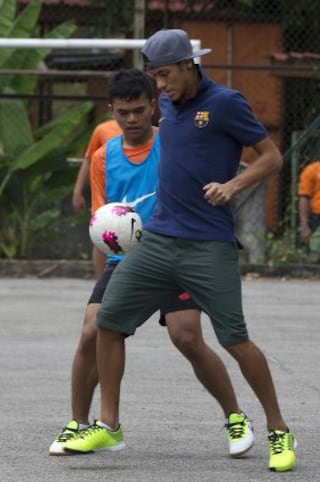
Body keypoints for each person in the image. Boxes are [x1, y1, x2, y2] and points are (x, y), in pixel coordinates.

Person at [62, 30, 297, 473]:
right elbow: (131, 135)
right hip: (158, 241)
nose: (161, 86)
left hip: (208, 245)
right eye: (155, 77)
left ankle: (279, 429)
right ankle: (108, 424)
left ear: (189, 65)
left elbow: (271, 157)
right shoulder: (165, 104)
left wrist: (233, 185)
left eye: (166, 75)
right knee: (107, 322)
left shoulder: (226, 103)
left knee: (235, 339)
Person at [49, 68, 254, 458]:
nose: (132, 118)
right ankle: (80, 423)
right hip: (126, 258)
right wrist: (102, 281)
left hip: (177, 249)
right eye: (123, 112)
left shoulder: (173, 143)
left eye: (139, 110)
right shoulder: (101, 157)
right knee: (94, 326)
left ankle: (235, 417)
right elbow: (104, 225)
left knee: (186, 336)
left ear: (155, 107)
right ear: (112, 110)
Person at [72, 118, 122, 278]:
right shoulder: (102, 130)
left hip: (134, 192)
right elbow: (88, 161)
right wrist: (77, 191)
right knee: (101, 236)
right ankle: (101, 283)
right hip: (106, 194)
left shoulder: (154, 134)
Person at [298, 159, 320, 261]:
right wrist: (304, 226)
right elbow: (304, 197)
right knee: (315, 251)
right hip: (317, 217)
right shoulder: (312, 170)